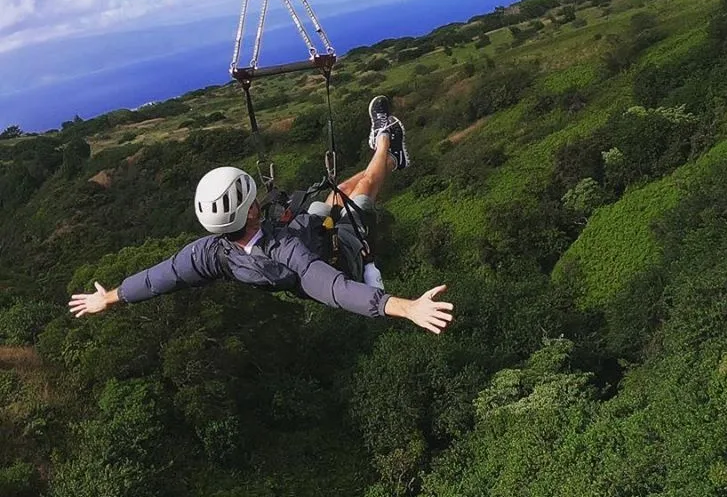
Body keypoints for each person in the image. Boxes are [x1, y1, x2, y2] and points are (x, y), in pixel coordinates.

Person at [67, 96, 453, 335]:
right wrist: (407, 308)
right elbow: (336, 289)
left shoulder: (212, 253)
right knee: (364, 186)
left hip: (311, 230)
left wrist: (112, 298)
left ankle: (388, 155)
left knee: (338, 190)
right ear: (251, 210)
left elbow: (160, 278)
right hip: (341, 252)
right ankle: (387, 139)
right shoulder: (286, 252)